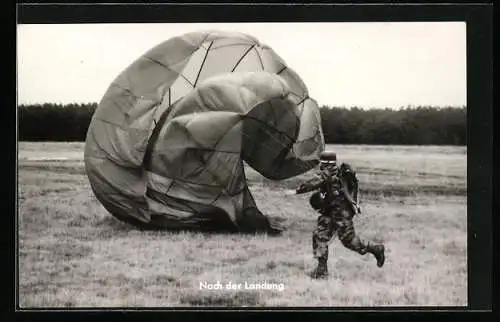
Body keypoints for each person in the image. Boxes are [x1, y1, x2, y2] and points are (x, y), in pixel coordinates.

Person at [295, 151, 385, 279]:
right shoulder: (336, 172)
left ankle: (376, 249)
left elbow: (312, 183)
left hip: (340, 215)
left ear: (324, 163)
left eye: (322, 162)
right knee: (319, 236)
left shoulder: (328, 173)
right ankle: (321, 271)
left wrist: (298, 190)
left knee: (350, 241)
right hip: (331, 213)